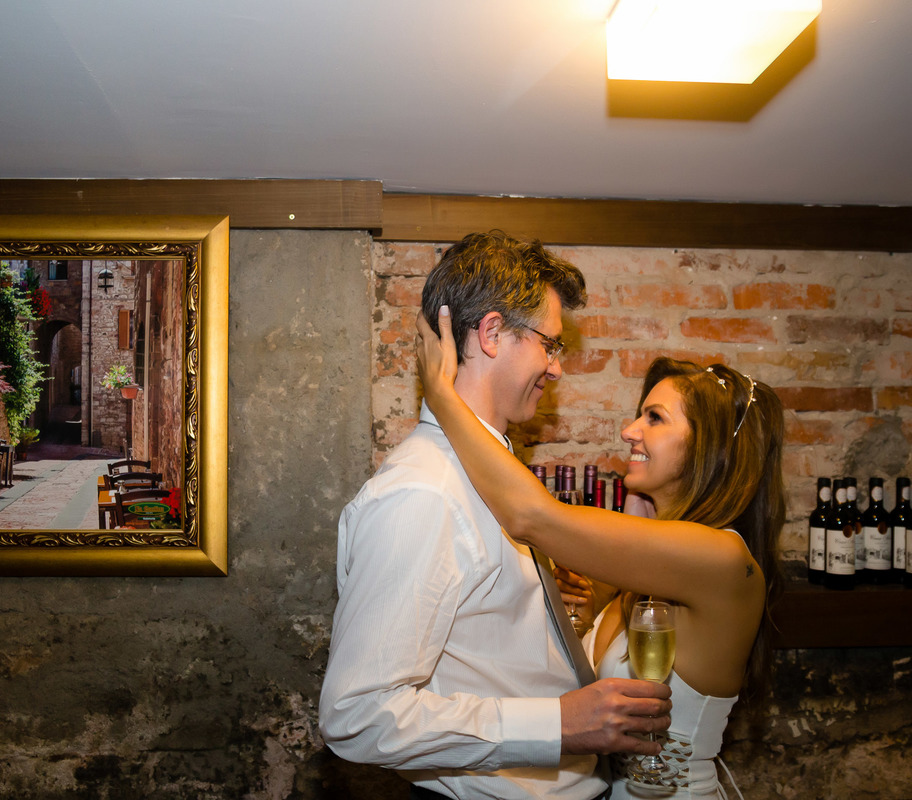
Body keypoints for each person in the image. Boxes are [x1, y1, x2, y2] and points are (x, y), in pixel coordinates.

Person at [320, 232, 672, 800]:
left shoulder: (492, 474)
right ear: (490, 334)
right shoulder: (422, 494)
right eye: (549, 345)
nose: (556, 369)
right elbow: (356, 716)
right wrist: (556, 725)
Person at [415, 303, 785, 799]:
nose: (630, 431)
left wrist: (442, 395)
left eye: (655, 418)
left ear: (707, 447)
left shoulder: (721, 558)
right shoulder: (659, 567)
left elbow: (530, 517)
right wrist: (595, 612)